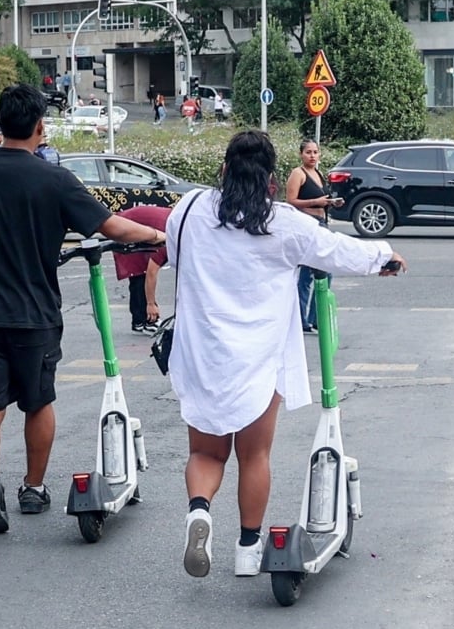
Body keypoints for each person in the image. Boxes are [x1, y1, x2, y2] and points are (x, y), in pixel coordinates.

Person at [168, 130, 405, 578]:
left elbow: (176, 257)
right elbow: (337, 252)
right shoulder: (282, 223)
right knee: (253, 456)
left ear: (223, 170)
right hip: (260, 357)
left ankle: (199, 513)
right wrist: (385, 256)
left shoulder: (191, 210)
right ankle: (246, 550)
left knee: (206, 453)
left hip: (204, 354)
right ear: (272, 180)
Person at [0, 83, 167, 534]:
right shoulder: (54, 179)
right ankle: (33, 487)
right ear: (41, 128)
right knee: (38, 401)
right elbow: (111, 226)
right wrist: (157, 236)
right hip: (33, 312)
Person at [287, 139, 338, 332]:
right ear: (301, 154)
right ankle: (302, 319)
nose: (312, 156)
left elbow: (323, 198)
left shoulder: (318, 173)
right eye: (308, 152)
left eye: (315, 152)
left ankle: (316, 318)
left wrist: (330, 203)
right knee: (308, 273)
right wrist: (314, 201)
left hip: (322, 223)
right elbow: (291, 201)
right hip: (307, 224)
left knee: (325, 271)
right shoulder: (297, 174)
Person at [112, 205, 171, 334]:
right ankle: (144, 321)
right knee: (139, 273)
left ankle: (142, 320)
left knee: (140, 274)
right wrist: (151, 304)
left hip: (140, 226)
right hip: (127, 226)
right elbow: (151, 272)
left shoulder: (178, 226)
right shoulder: (169, 239)